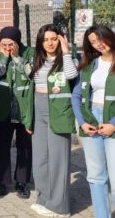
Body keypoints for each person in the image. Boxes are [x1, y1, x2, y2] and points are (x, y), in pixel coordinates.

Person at [28, 24, 77, 217]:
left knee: (58, 159)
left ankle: (60, 207)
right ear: (40, 42)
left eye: (54, 39)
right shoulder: (37, 60)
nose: (50, 43)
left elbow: (72, 75)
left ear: (60, 40)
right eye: (46, 39)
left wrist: (66, 51)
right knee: (40, 158)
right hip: (39, 108)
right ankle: (44, 198)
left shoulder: (65, 60)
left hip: (58, 109)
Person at [0, 27, 34, 200]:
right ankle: (0, 183)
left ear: (18, 42)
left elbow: (32, 75)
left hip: (24, 109)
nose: (7, 47)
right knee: (1, 147)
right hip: (4, 108)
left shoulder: (30, 53)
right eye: (4, 44)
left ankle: (22, 182)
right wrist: (5, 57)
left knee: (24, 147)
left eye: (10, 44)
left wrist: (18, 58)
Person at [72, 25, 115, 218]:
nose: (99, 44)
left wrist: (113, 123)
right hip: (91, 120)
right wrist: (81, 122)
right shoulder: (90, 65)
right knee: (96, 175)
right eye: (93, 42)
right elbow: (76, 95)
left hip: (111, 121)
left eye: (100, 39)